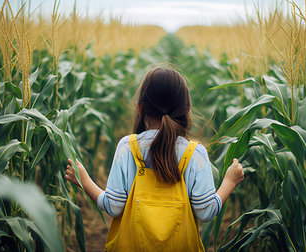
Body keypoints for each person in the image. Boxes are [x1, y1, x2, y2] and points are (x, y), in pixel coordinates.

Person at [65, 66, 244, 251]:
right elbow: (206, 211)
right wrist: (229, 182)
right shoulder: (195, 153)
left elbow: (113, 207)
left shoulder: (127, 147)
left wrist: (84, 180)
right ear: (187, 110)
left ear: (140, 108)